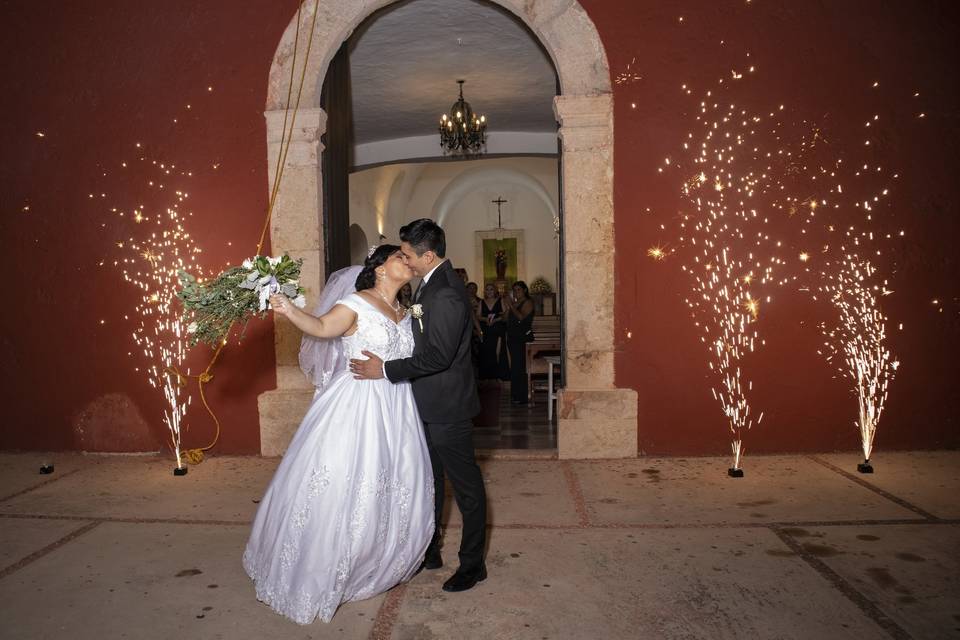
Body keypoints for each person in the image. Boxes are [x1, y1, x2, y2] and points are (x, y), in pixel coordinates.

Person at [243, 245, 434, 624]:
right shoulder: (356, 303)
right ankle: (328, 563)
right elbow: (321, 328)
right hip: (358, 405)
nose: (406, 261)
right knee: (347, 481)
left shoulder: (404, 310)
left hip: (397, 405)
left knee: (396, 481)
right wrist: (288, 308)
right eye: (399, 256)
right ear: (380, 269)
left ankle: (380, 556)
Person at [350, 218, 488, 593]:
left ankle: (473, 564)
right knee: (430, 482)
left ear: (428, 255)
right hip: (427, 403)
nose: (406, 261)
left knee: (467, 488)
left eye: (409, 255)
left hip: (448, 407)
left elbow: (439, 357)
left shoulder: (443, 292)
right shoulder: (430, 285)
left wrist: (386, 369)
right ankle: (430, 549)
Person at [504, 280, 535, 404]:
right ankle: (515, 395)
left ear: (525, 290)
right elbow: (504, 318)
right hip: (512, 338)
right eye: (514, 290)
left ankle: (521, 396)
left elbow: (521, 317)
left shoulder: (528, 302)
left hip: (522, 338)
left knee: (520, 366)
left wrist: (511, 305)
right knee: (515, 367)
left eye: (519, 290)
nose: (516, 292)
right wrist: (508, 307)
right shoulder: (515, 304)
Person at [478, 283, 509, 380]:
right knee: (486, 351)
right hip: (486, 329)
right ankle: (487, 375)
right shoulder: (481, 302)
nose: (489, 291)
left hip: (498, 329)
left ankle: (499, 374)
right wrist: (485, 319)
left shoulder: (501, 300)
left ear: (495, 291)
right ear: (485, 292)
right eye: (487, 289)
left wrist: (495, 320)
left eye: (491, 289)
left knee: (498, 352)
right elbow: (477, 316)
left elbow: (505, 315)